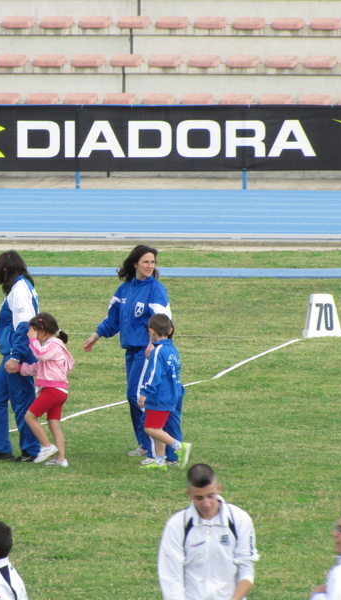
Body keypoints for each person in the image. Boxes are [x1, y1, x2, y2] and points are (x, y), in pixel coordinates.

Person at [83, 244, 175, 461]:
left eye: (153, 262)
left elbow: (164, 321)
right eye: (146, 262)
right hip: (130, 352)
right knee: (133, 397)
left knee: (138, 397)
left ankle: (157, 450)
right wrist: (96, 336)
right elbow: (113, 319)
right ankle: (146, 443)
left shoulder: (156, 289)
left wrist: (155, 344)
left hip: (146, 351)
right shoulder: (124, 290)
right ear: (135, 263)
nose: (150, 266)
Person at [158, 464, 259, 600]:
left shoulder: (239, 519)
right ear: (189, 494)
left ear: (219, 489)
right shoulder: (177, 525)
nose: (206, 504)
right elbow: (171, 578)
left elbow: (246, 571)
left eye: (210, 496)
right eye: (199, 498)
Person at [0, 251, 41, 463]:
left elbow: (25, 325)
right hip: (12, 352)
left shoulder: (20, 289)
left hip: (19, 355)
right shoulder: (19, 288)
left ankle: (32, 450)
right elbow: (16, 323)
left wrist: (16, 356)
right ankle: (1, 447)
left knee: (22, 402)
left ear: (5, 270)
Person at [19, 313, 75, 467]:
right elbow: (39, 367)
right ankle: (60, 459)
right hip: (59, 390)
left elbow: (40, 355)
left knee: (30, 417)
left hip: (52, 390)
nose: (34, 335)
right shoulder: (53, 346)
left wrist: (32, 340)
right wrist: (20, 368)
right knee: (53, 425)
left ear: (44, 330)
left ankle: (46, 446)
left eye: (36, 331)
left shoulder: (54, 344)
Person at [137, 314, 191, 471]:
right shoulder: (172, 350)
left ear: (151, 332)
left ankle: (179, 446)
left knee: (150, 428)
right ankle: (160, 461)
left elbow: (154, 375)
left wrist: (144, 393)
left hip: (159, 396)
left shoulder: (157, 351)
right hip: (173, 394)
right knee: (158, 427)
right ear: (170, 330)